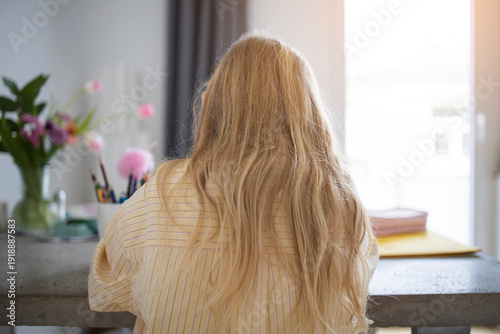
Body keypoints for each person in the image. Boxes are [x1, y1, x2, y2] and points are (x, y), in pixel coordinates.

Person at [88, 32, 379, 333]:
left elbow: (104, 289)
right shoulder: (340, 205)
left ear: (213, 105)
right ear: (308, 112)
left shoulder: (160, 193)